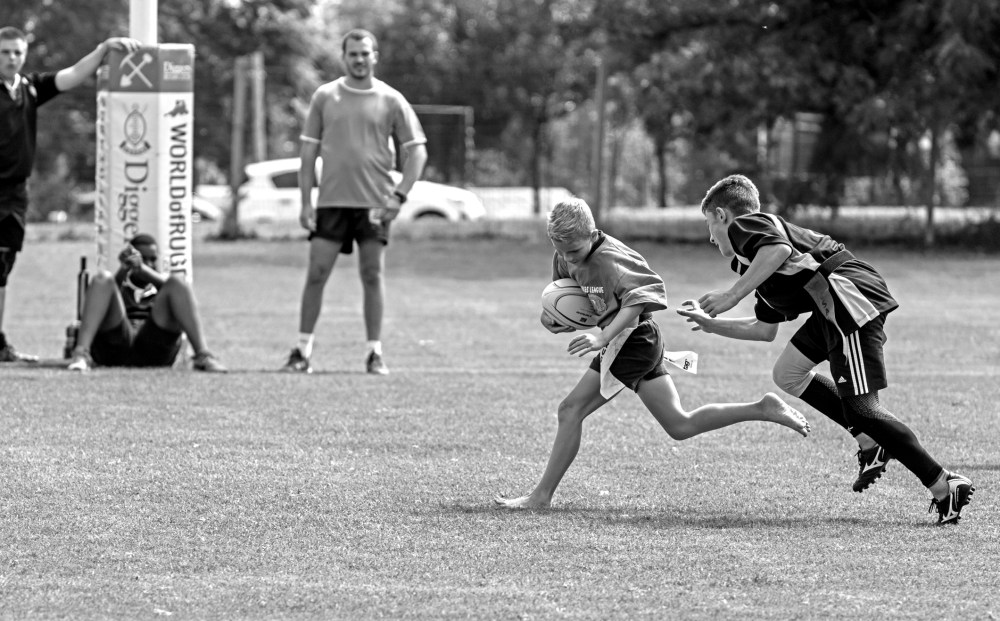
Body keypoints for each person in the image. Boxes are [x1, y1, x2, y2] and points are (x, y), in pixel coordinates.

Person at [678, 174, 973, 525]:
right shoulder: (753, 264)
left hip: (847, 296)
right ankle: (870, 441)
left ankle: (943, 484)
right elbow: (764, 330)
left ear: (723, 215)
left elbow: (778, 250)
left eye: (709, 224)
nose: (710, 236)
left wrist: (731, 296)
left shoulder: (747, 227)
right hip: (829, 307)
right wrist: (713, 325)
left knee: (863, 408)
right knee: (787, 373)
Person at [494, 198, 810, 510]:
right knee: (680, 425)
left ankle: (541, 497)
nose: (569, 260)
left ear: (592, 236)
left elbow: (637, 304)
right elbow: (570, 298)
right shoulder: (567, 254)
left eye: (574, 252)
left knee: (570, 409)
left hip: (633, 340)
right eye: (561, 252)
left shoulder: (609, 260)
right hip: (628, 341)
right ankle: (762, 407)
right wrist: (556, 319)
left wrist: (602, 335)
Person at [282, 28, 428, 375]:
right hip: (331, 201)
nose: (359, 59)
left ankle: (374, 353)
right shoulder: (325, 96)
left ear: (375, 56)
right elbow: (307, 153)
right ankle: (302, 352)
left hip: (375, 204)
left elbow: (417, 152)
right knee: (316, 273)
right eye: (353, 54)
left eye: (365, 53)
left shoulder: (392, 99)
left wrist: (399, 195)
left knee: (372, 275)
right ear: (343, 57)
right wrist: (305, 202)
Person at [0, 26, 139, 362]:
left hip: (16, 193)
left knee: (3, 266)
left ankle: (0, 343)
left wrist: (104, 47)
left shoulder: (30, 87)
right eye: (5, 52)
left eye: (17, 52)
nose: (11, 59)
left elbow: (73, 74)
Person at [66, 234, 226, 373]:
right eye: (143, 258)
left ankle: (203, 356)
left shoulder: (165, 288)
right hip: (115, 345)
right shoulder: (120, 284)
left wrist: (144, 270)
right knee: (102, 279)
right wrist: (124, 270)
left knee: (178, 281)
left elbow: (174, 287)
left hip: (155, 348)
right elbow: (107, 293)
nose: (149, 263)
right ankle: (81, 355)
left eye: (153, 259)